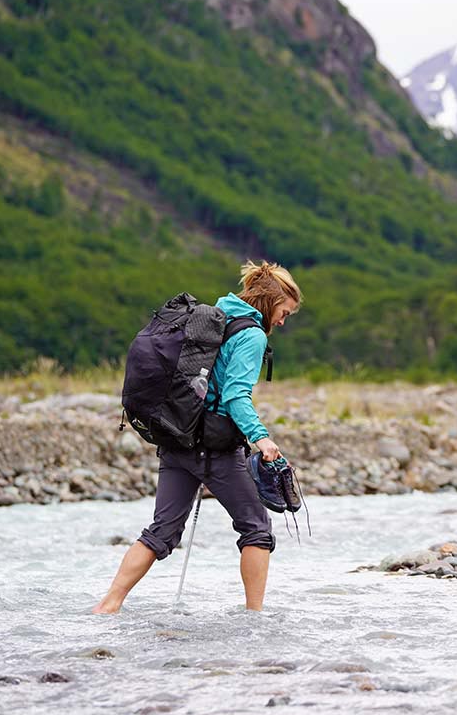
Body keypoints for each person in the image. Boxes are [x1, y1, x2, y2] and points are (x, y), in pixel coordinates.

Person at [92, 261, 302, 614]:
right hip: (215, 448)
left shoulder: (216, 314)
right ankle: (255, 618)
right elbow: (236, 396)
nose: (282, 320)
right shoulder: (251, 335)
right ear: (269, 303)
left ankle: (108, 605)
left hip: (177, 438)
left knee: (161, 531)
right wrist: (261, 438)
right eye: (284, 312)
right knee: (257, 530)